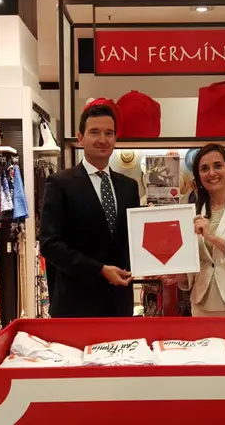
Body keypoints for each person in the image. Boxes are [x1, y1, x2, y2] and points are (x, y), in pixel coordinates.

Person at [38, 99, 140, 318]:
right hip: (76, 304)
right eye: (95, 132)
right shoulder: (59, 184)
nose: (102, 140)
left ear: (116, 138)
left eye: (109, 133)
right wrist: (99, 270)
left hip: (119, 305)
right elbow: (49, 244)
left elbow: (131, 242)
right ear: (80, 138)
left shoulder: (128, 187)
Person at [160, 143, 225, 317]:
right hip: (203, 304)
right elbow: (198, 263)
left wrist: (211, 237)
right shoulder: (193, 211)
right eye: (204, 168)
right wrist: (178, 275)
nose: (211, 173)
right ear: (198, 176)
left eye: (217, 166)